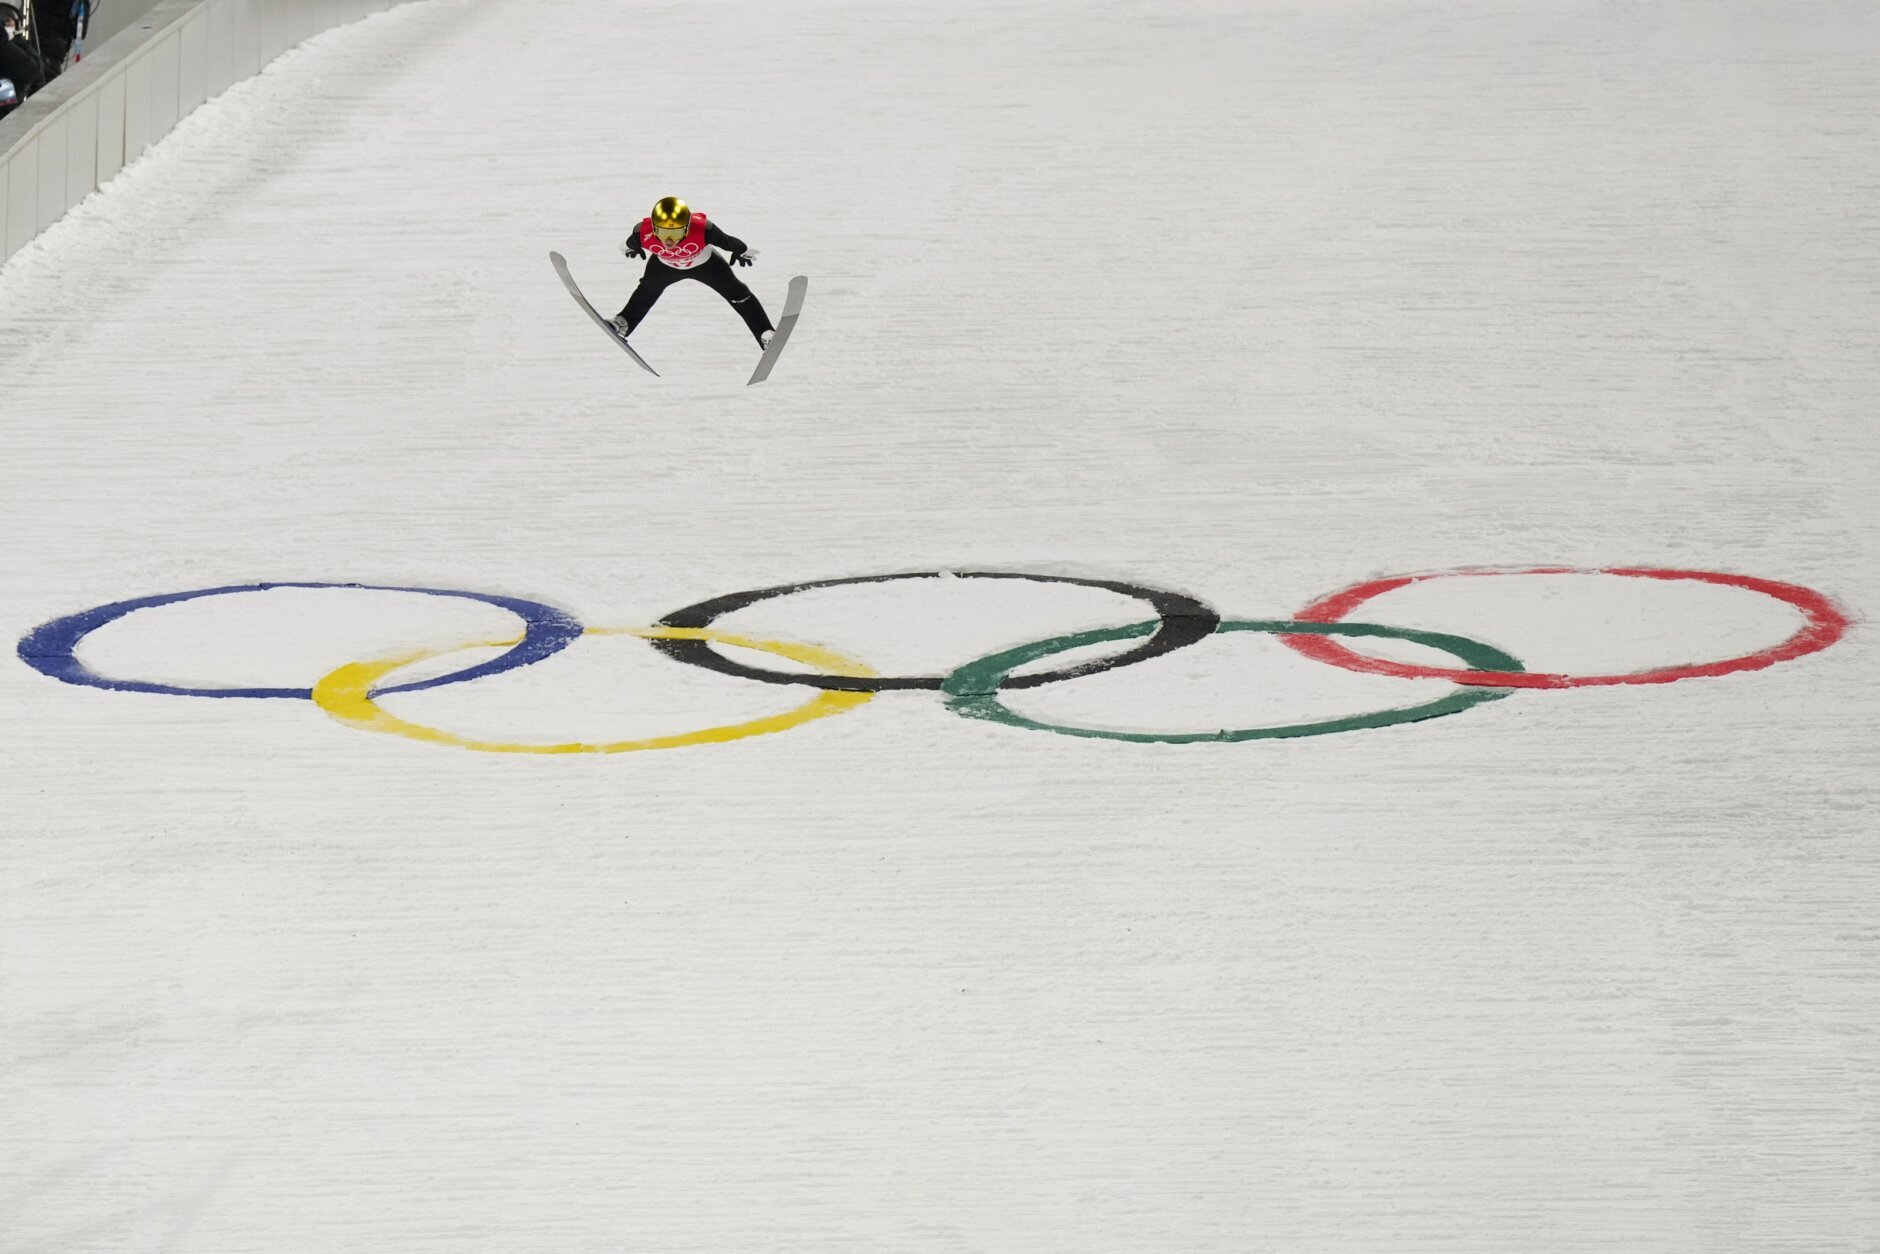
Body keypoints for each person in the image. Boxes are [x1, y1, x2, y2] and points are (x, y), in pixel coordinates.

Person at [609, 197, 775, 351]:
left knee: (738, 293)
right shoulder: (641, 233)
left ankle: (764, 333)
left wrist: (742, 251)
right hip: (664, 267)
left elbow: (728, 242)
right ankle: (623, 323)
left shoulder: (704, 229)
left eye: (675, 233)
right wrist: (631, 248)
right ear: (653, 228)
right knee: (646, 292)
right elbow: (628, 244)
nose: (668, 241)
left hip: (706, 266)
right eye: (662, 232)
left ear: (687, 228)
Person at [0, 4, 50, 115]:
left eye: (8, 21)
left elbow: (33, 70)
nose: (6, 25)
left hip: (9, 108)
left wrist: (5, 45)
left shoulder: (19, 43)